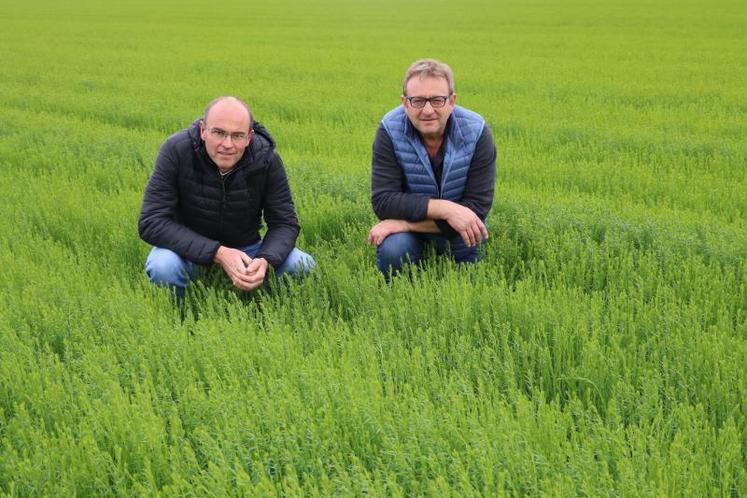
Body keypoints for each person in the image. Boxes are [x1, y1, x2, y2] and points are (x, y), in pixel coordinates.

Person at [138, 96, 314, 296]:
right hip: (187, 248)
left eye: (237, 136)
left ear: (249, 137)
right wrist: (218, 253)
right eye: (219, 133)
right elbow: (151, 221)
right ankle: (180, 313)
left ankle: (260, 302)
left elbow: (285, 223)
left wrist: (265, 260)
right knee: (163, 267)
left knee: (302, 264)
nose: (227, 144)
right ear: (203, 131)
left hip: (246, 248)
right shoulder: (176, 150)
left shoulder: (266, 160)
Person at [367, 59, 497, 277]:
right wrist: (447, 209)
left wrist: (404, 224)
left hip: (461, 230)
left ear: (452, 100)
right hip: (427, 226)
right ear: (404, 102)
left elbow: (476, 209)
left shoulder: (477, 132)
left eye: (437, 100)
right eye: (417, 101)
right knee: (394, 252)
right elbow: (384, 201)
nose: (427, 110)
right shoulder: (389, 130)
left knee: (468, 280)